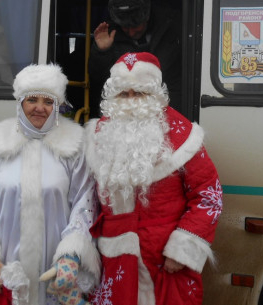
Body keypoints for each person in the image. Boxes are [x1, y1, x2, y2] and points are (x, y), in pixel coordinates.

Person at [85, 52, 222, 305]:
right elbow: (85, 200)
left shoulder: (184, 137)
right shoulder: (98, 135)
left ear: (154, 95)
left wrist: (182, 250)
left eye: (139, 93)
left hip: (165, 262)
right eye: (123, 94)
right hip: (112, 258)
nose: (130, 101)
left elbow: (208, 196)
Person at [0, 63, 101, 305]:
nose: (40, 108)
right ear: (20, 103)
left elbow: (85, 202)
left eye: (48, 101)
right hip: (5, 270)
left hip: (55, 274)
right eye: (32, 99)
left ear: (57, 106)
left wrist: (71, 255)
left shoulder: (74, 145)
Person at [87, 0, 182, 119]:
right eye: (126, 27)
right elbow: (98, 79)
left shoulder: (173, 28)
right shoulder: (109, 35)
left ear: (147, 17)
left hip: (165, 111)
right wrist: (102, 51)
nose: (131, 32)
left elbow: (178, 79)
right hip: (123, 115)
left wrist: (172, 116)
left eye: (136, 25)